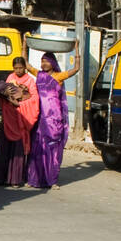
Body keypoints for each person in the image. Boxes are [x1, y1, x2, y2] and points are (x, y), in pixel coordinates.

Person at [26, 47, 80, 189]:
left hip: (54, 119)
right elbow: (26, 64)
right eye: (42, 61)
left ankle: (52, 180)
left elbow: (75, 69)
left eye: (46, 61)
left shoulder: (58, 76)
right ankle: (35, 179)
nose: (43, 64)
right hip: (40, 117)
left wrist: (77, 49)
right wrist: (25, 43)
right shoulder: (39, 74)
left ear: (52, 63)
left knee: (53, 150)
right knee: (37, 148)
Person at [0, 57, 39, 186]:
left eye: (20, 68)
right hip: (8, 117)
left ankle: (15, 180)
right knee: (3, 148)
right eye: (16, 68)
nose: (18, 70)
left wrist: (19, 103)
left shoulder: (30, 80)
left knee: (18, 150)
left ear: (25, 67)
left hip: (21, 119)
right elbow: (3, 93)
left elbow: (34, 100)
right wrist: (5, 94)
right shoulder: (10, 77)